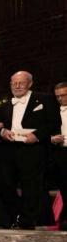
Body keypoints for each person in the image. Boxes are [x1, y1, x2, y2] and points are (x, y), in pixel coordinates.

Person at [0, 71, 60, 229]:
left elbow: (54, 123)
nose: (17, 86)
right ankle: (15, 216)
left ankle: (27, 222)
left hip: (33, 150)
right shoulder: (3, 102)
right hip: (8, 150)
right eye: (14, 83)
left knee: (31, 186)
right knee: (5, 184)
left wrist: (37, 136)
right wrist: (2, 131)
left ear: (30, 83)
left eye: (21, 83)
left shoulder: (44, 99)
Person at [51, 81, 67, 229]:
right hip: (61, 152)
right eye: (58, 96)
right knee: (64, 186)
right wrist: (51, 138)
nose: (61, 99)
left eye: (64, 95)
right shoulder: (52, 111)